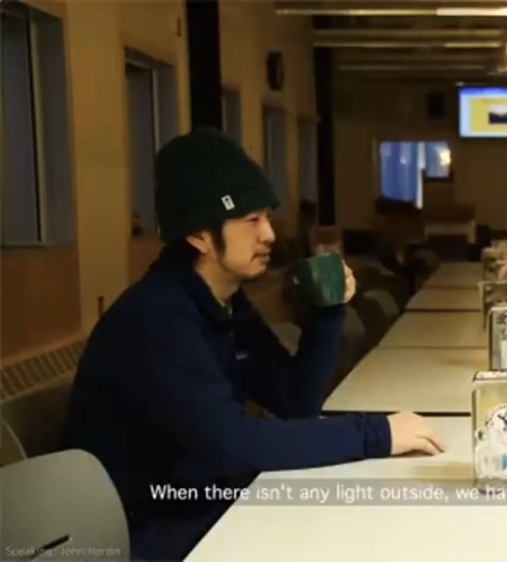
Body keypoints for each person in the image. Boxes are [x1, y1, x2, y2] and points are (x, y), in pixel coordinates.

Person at [61, 128, 445, 561]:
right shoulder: (157, 317)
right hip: (152, 532)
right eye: (250, 220)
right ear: (199, 235)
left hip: (209, 505)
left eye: (266, 216)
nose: (269, 235)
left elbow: (294, 402)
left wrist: (327, 310)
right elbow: (234, 443)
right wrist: (377, 433)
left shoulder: (224, 301)